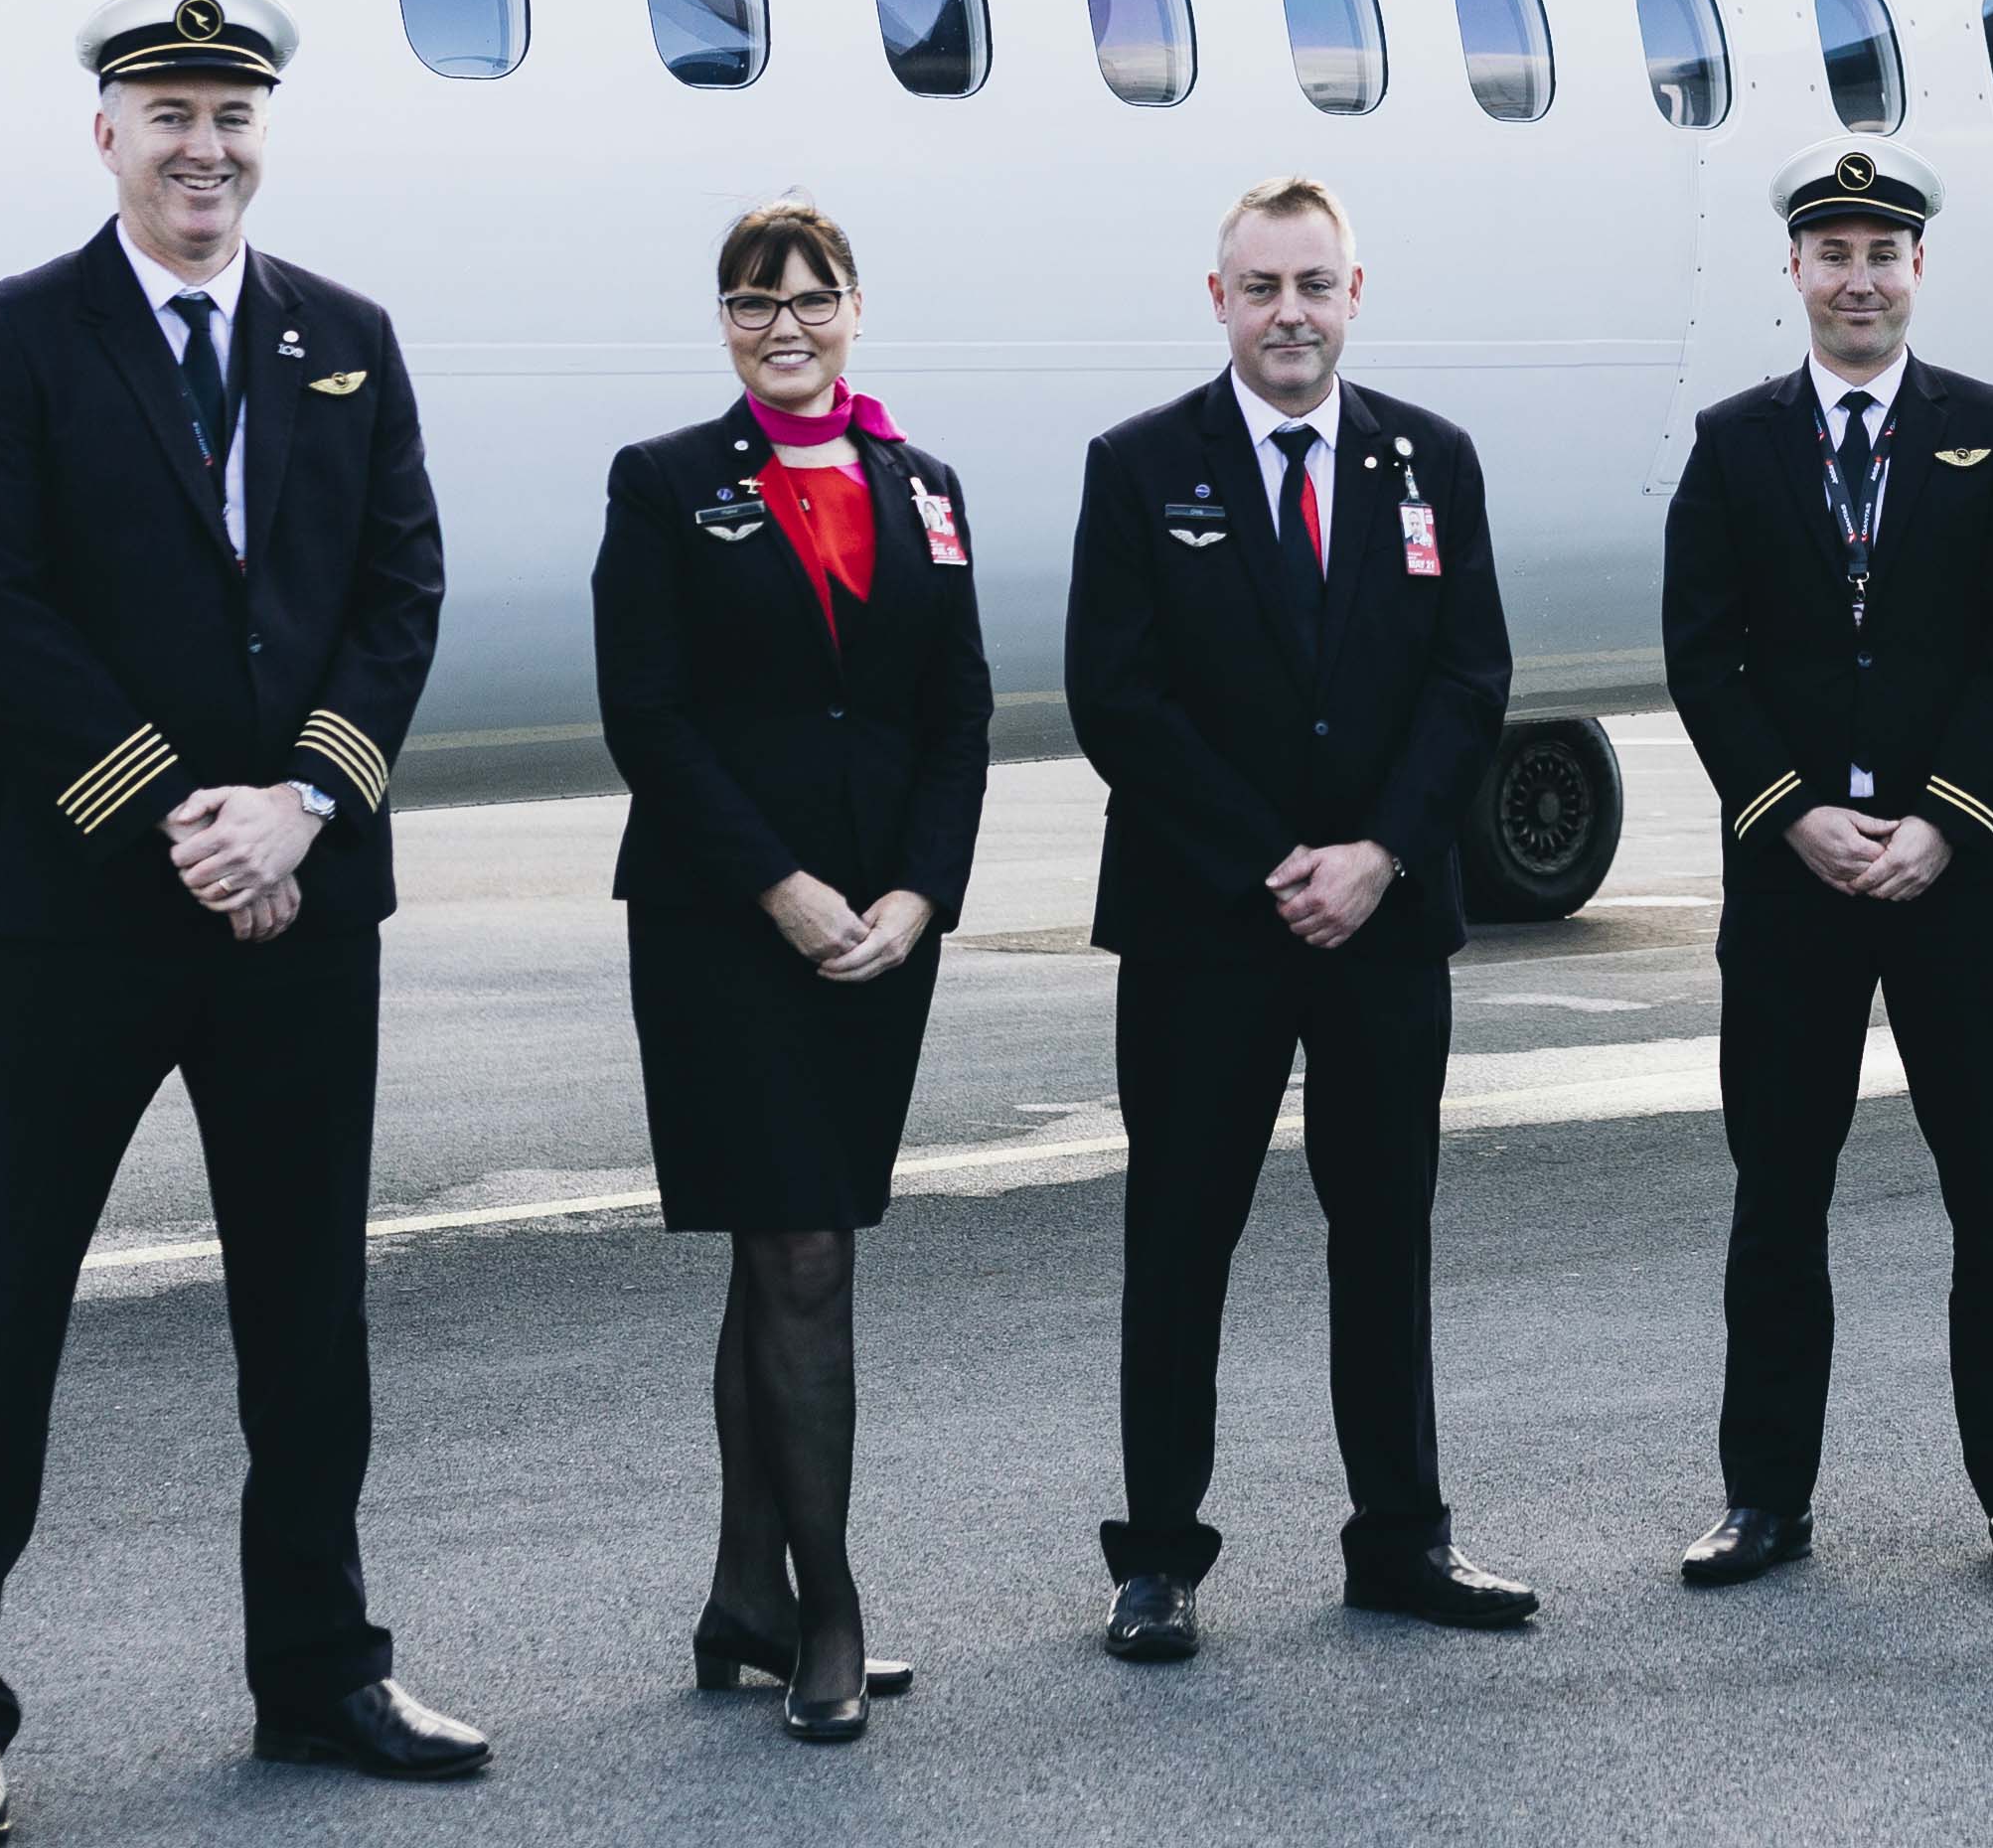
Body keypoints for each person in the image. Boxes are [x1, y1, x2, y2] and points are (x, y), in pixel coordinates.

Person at [0, 0, 480, 1848]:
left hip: (300, 904)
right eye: (171, 115)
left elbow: (400, 595)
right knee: (0, 1310)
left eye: (232, 115)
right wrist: (177, 817)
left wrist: (298, 806)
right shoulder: (20, 335)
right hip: (81, 913)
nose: (204, 147)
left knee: (308, 1317)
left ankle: (318, 1673)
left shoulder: (347, 339)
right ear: (109, 135)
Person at [1061, 176, 1534, 1659]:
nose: (1289, 314)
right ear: (1219, 302)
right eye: (1261, 287)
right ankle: (1157, 1559)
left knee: (1385, 1232)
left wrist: (1381, 855)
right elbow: (1116, 700)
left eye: (1313, 286)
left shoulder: (1427, 462)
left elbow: (1471, 681)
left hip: (1383, 925)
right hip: (1210, 926)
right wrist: (1280, 861)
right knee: (1180, 1236)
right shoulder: (1141, 467)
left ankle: (1402, 1538)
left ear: (1354, 295)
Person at [593, 198, 994, 1743]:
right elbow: (652, 717)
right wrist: (782, 885)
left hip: (880, 935)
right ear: (724, 323)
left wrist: (921, 895)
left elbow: (956, 713)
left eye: (811, 297)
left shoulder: (927, 488)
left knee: (787, 1252)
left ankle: (739, 1594)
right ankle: (826, 1609)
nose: (785, 323)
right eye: (754, 302)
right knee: (803, 1257)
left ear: (855, 308)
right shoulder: (667, 485)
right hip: (724, 926)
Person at [1663, 148, 1993, 1594]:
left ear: (1918, 271)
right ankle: (1764, 1499)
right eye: (1831, 251)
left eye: (1881, 251)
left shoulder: (1990, 431)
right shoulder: (1732, 444)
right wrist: (1790, 813)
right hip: (1792, 885)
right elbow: (1702, 657)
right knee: (1779, 1197)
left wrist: (1943, 820)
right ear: (1794, 272)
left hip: (1955, 880)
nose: (1857, 277)